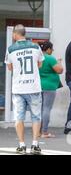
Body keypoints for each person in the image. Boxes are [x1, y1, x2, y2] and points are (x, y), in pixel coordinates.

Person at [4, 25, 45, 154]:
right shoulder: (35, 46)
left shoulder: (10, 49)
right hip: (33, 87)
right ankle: (35, 144)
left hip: (18, 88)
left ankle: (21, 145)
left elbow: (9, 68)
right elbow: (40, 64)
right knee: (36, 116)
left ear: (16, 34)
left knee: (19, 117)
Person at [39, 41, 63, 138]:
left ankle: (38, 131)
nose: (52, 51)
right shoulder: (50, 58)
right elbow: (60, 70)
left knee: (40, 109)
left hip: (39, 86)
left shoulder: (38, 58)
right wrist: (59, 62)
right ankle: (44, 132)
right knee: (46, 109)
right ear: (48, 49)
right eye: (51, 49)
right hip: (49, 87)